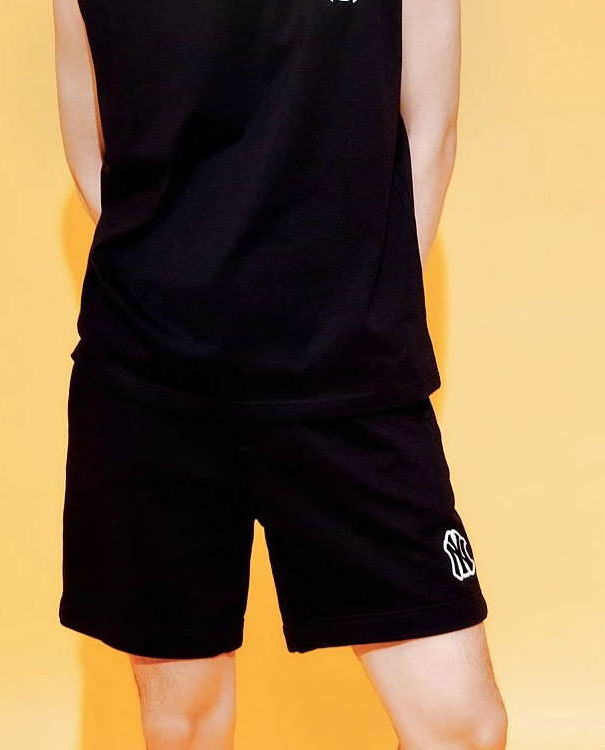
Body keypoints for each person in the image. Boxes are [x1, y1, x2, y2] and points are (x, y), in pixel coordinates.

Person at [52, 0, 508, 747]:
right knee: (184, 723)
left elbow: (432, 131)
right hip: (151, 380)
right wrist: (181, 284)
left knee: (463, 727)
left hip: (345, 376)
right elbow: (93, 150)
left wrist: (359, 307)